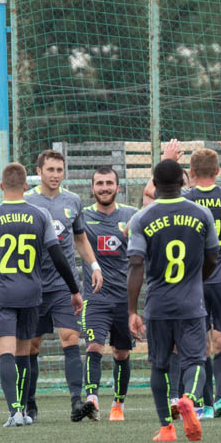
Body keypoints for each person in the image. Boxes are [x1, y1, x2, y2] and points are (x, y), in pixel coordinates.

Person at [145, 130, 221, 420]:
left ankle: (198, 401)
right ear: (218, 171)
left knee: (196, 346)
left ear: (190, 172)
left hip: (194, 283)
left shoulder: (185, 199)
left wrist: (166, 161)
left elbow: (150, 192)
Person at [0, 162, 83, 427]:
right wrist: (74, 289)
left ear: (2, 186)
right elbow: (58, 256)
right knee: (24, 352)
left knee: (6, 353)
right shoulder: (40, 214)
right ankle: (23, 410)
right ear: (26, 186)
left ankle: (15, 411)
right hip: (32, 292)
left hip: (2, 293)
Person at [127, 159, 219, 443]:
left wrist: (132, 310)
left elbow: (135, 264)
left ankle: (166, 428)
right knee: (195, 360)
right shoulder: (201, 213)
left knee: (159, 365)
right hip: (191, 303)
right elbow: (213, 256)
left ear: (154, 184)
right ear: (182, 182)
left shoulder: (141, 218)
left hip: (158, 305)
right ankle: (189, 398)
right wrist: (196, 280)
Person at [24, 149, 102, 423]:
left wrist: (94, 265)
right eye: (50, 169)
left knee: (70, 337)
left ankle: (76, 402)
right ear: (39, 171)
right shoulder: (27, 201)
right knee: (32, 346)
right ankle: (29, 404)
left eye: (59, 170)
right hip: (33, 285)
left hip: (63, 286)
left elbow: (80, 238)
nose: (55, 175)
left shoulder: (73, 200)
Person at [78, 166, 138, 421]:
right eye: (100, 183)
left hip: (124, 299)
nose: (104, 188)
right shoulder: (82, 217)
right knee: (94, 346)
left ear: (118, 187)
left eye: (109, 183)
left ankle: (118, 404)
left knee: (121, 353)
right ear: (92, 188)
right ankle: (91, 399)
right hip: (95, 297)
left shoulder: (132, 216)